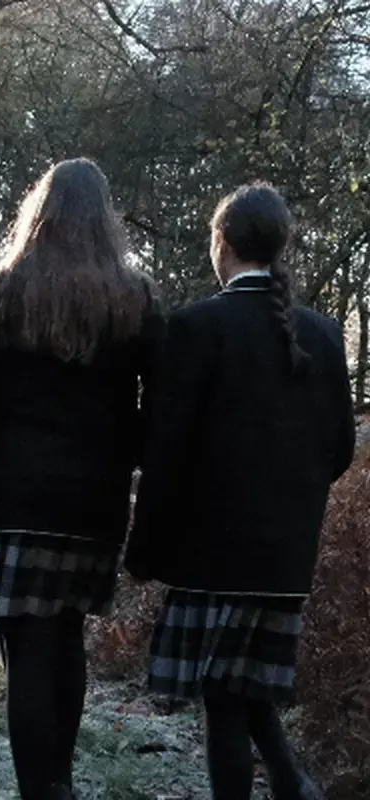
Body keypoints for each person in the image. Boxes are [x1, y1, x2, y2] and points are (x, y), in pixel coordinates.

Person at [0, 158, 164, 800]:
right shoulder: (134, 300)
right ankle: (59, 785)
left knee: (26, 651)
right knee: (67, 639)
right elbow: (164, 405)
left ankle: (43, 793)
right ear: (104, 220)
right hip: (95, 503)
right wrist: (125, 455)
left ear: (39, 213)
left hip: (14, 500)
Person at [125, 184, 355, 800]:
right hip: (286, 558)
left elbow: (163, 456)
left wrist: (144, 552)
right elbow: (340, 452)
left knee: (223, 700)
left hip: (210, 556)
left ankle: (282, 782)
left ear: (219, 244)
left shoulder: (195, 328)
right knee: (240, 687)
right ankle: (288, 781)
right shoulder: (325, 335)